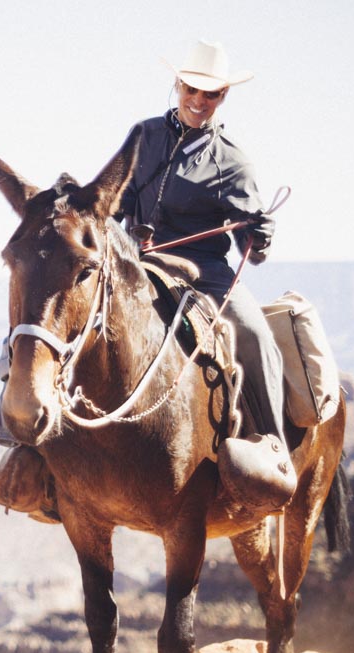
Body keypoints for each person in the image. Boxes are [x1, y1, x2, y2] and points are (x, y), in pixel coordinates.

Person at [118, 39, 295, 506]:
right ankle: (31, 446)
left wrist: (261, 235)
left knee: (256, 336)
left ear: (224, 98)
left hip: (205, 273)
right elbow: (114, 202)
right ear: (177, 84)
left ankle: (273, 454)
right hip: (138, 261)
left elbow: (250, 252)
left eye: (210, 95)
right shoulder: (143, 136)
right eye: (191, 89)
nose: (198, 102)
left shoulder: (233, 160)